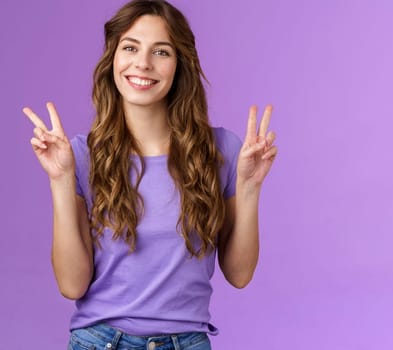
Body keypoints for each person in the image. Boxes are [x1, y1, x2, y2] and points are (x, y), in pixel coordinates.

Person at [22, 0, 278, 348]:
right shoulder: (81, 155)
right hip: (100, 341)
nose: (142, 63)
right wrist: (60, 180)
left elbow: (239, 274)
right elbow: (72, 285)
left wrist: (249, 188)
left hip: (187, 341)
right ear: (113, 57)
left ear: (179, 64)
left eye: (161, 51)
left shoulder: (222, 150)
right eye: (130, 47)